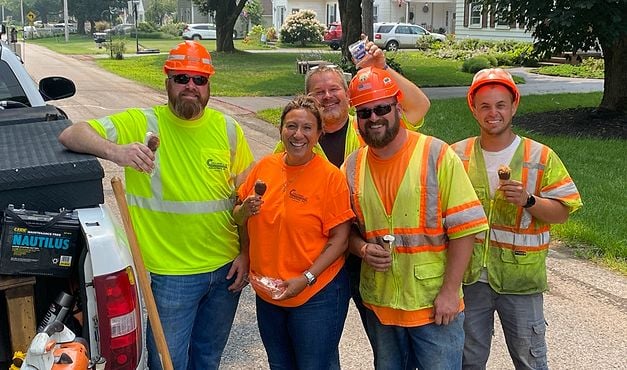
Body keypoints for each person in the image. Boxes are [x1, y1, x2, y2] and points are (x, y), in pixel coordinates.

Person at [58, 41, 254, 370]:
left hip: (225, 272)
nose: (191, 86)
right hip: (171, 276)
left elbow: (245, 202)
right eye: (182, 78)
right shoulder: (142, 123)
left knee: (207, 360)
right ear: (167, 82)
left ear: (208, 85)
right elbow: (71, 134)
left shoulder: (229, 129)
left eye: (200, 80)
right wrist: (117, 152)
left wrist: (246, 253)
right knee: (167, 363)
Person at [274, 42, 431, 349]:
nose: (328, 96)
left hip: (368, 254)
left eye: (334, 89)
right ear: (309, 99)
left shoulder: (371, 124)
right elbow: (274, 177)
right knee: (321, 345)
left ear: (347, 94)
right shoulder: (299, 139)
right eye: (319, 93)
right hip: (321, 256)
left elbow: (418, 107)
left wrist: (380, 68)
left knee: (384, 343)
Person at [342, 66, 490, 370]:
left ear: (398, 107)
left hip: (434, 307)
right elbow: (345, 230)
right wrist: (362, 249)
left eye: (382, 108)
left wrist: (450, 292)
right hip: (382, 307)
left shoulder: (436, 154)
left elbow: (466, 229)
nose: (374, 118)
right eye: (365, 112)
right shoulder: (352, 166)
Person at [452, 68, 583, 370]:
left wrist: (529, 200)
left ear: (514, 106)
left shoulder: (540, 156)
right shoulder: (456, 155)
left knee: (530, 361)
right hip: (470, 278)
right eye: (484, 105)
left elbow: (563, 211)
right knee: (467, 360)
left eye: (500, 105)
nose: (493, 113)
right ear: (473, 109)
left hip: (521, 281)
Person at [234, 95, 355, 369]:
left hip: (315, 294)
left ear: (319, 134)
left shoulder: (330, 178)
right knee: (279, 364)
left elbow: (340, 239)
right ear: (280, 130)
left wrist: (307, 277)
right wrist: (244, 218)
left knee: (314, 365)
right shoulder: (265, 167)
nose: (297, 134)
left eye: (307, 128)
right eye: (291, 126)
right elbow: (239, 215)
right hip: (269, 292)